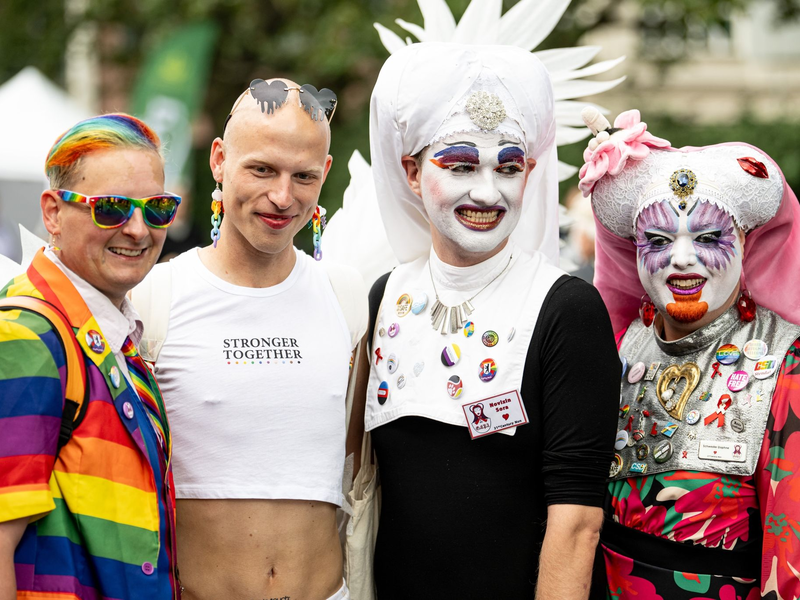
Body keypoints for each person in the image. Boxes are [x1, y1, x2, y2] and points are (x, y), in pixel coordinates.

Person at [354, 42, 621, 598]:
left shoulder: (565, 309)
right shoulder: (387, 297)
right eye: (459, 165)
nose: (486, 192)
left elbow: (576, 525)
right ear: (410, 170)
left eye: (508, 168)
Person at [131, 78, 366, 600]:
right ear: (219, 160)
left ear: (324, 174)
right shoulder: (154, 299)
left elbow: (354, 467)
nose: (283, 197)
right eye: (261, 169)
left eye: (303, 176)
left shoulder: (346, 296)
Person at [579, 108, 800, 598]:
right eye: (657, 240)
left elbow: (792, 560)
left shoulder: (789, 366)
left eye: (707, 238)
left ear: (746, 243)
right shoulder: (615, 351)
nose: (681, 258)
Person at [0, 114, 180, 599]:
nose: (139, 230)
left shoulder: (111, 329)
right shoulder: (27, 334)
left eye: (158, 208)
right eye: (113, 208)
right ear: (53, 213)